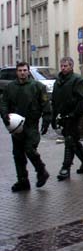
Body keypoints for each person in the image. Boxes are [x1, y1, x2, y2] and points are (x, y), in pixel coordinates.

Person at [1, 62, 51, 192]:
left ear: (28, 71)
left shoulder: (38, 87)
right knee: (18, 154)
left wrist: (46, 120)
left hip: (31, 124)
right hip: (16, 126)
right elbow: (4, 103)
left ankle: (41, 171)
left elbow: (45, 104)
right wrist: (5, 115)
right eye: (20, 70)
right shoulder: (10, 87)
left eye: (24, 70)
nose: (22, 72)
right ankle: (22, 180)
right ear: (16, 72)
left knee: (30, 149)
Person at [52, 57, 83, 180]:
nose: (63, 68)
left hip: (74, 116)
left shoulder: (78, 80)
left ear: (71, 66)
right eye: (62, 66)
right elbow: (54, 100)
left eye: (66, 66)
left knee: (70, 140)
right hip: (63, 116)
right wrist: (54, 117)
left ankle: (65, 168)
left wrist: (75, 114)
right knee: (73, 141)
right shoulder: (58, 81)